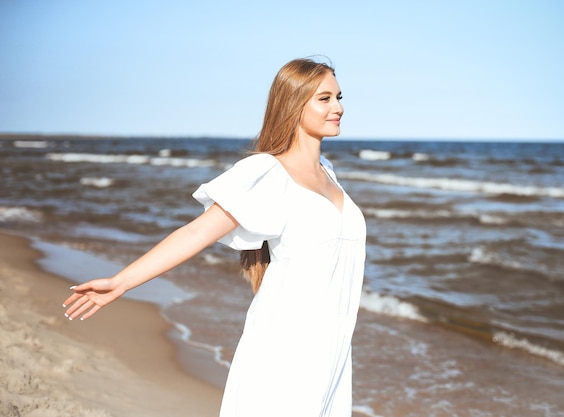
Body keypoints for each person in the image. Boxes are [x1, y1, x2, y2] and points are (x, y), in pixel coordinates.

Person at [63, 57, 367, 417]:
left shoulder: (328, 173)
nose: (339, 108)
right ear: (294, 103)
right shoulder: (268, 171)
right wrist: (121, 282)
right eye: (325, 98)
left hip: (332, 347)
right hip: (286, 344)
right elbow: (197, 231)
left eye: (339, 97)